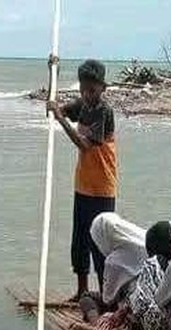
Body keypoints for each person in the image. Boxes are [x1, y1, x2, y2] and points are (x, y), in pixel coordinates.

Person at [47, 59, 118, 302]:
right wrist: (52, 74)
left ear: (102, 88)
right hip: (83, 185)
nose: (87, 94)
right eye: (83, 89)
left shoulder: (103, 110)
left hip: (102, 187)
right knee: (80, 240)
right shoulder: (83, 105)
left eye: (92, 90)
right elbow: (57, 108)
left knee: (100, 243)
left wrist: (61, 119)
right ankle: (81, 290)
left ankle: (105, 294)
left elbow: (84, 144)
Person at [84, 213, 171, 330]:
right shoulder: (147, 238)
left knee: (87, 297)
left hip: (134, 308)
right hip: (160, 304)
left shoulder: (114, 261)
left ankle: (97, 326)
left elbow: (108, 298)